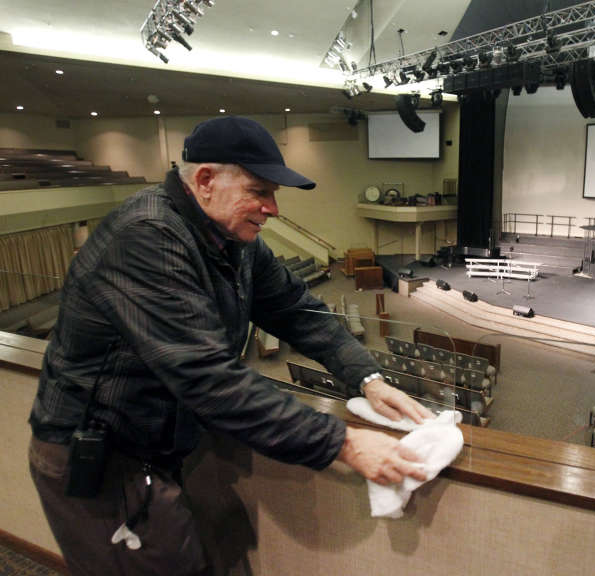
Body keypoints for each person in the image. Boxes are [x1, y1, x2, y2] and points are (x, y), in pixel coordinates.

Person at [28, 116, 434, 575]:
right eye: (259, 191)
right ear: (204, 181)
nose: (273, 208)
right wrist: (345, 442)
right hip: (103, 458)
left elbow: (294, 309)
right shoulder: (146, 236)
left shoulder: (232, 239)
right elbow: (207, 377)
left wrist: (366, 377)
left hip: (162, 442)